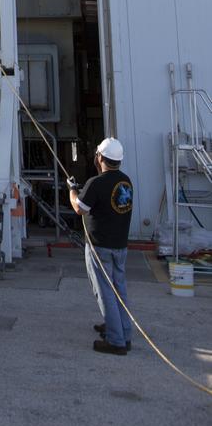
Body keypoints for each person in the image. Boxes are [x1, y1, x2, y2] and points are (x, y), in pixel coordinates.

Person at [69, 137, 134, 355]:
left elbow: (79, 208)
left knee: (105, 291)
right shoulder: (126, 182)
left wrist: (72, 190)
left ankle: (116, 341)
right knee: (119, 290)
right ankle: (123, 332)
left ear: (100, 158)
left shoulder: (95, 184)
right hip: (120, 246)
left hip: (100, 247)